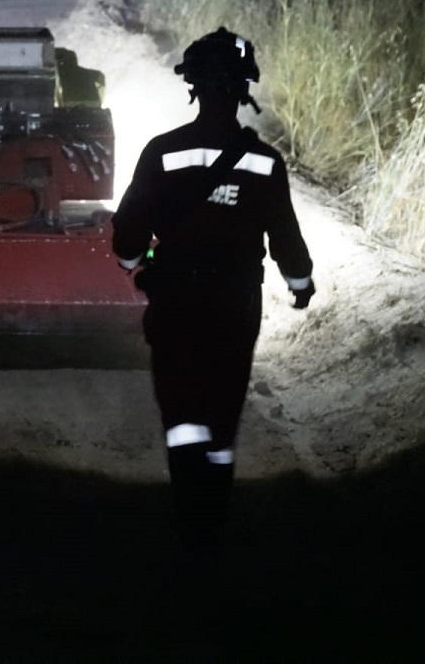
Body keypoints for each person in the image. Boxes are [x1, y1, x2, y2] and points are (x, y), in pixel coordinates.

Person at [111, 27, 315, 557]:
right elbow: (285, 234)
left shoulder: (162, 152)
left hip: (175, 299)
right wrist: (300, 282)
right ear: (245, 89)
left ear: (193, 87)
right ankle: (214, 525)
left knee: (181, 409)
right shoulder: (266, 162)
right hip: (236, 302)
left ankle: (188, 523)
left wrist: (133, 262)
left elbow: (130, 228)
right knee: (223, 410)